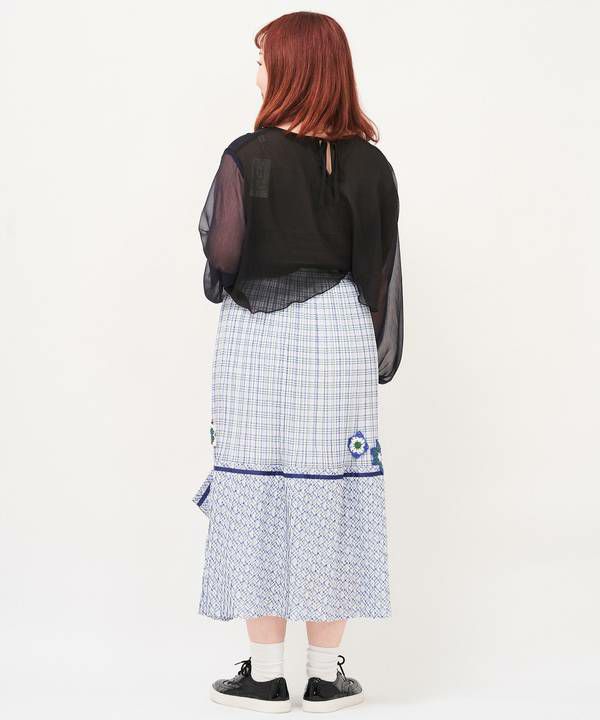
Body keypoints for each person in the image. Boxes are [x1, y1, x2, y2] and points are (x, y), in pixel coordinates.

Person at [192, 11, 403, 713]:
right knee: (329, 485)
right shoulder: (371, 164)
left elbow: (222, 258)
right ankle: (322, 674)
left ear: (289, 69)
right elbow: (378, 273)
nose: (256, 72)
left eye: (263, 60)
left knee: (256, 482)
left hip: (256, 336)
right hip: (337, 335)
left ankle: (263, 673)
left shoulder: (248, 157)